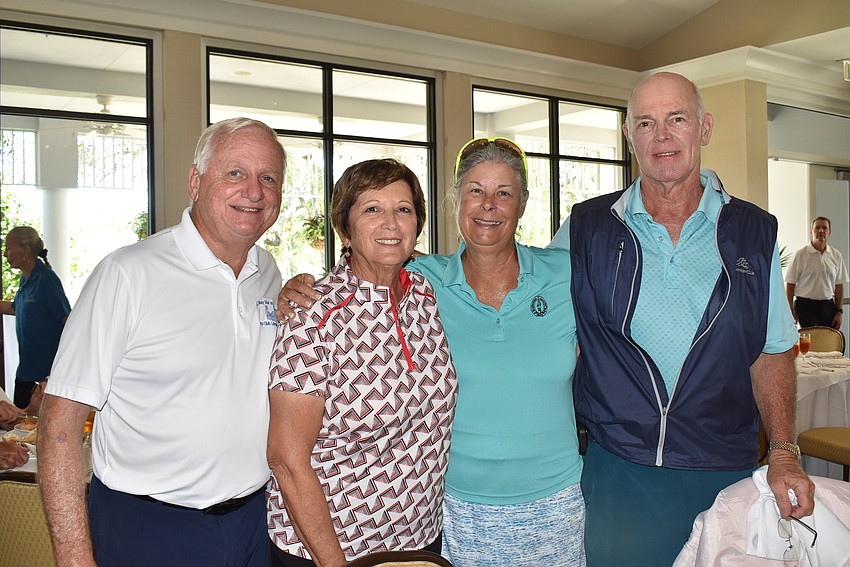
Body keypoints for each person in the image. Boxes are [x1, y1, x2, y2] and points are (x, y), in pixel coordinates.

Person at [550, 72, 815, 566]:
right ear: (629, 137)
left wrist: (783, 452)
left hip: (723, 471)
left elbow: (772, 350)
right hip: (617, 471)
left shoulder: (753, 232)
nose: (662, 136)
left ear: (704, 128)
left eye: (677, 119)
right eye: (645, 123)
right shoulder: (585, 228)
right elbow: (533, 315)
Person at [279, 140, 585, 566]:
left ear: (522, 204)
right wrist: (295, 289)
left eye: (504, 193)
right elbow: (375, 258)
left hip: (553, 502)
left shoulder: (565, 273)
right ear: (456, 200)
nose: (489, 205)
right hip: (455, 509)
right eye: (476, 190)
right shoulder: (427, 280)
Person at [37, 117, 286, 567]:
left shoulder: (267, 272)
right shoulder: (127, 274)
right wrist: (74, 558)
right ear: (195, 181)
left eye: (268, 178)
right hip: (147, 529)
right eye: (235, 173)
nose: (254, 192)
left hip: (253, 523)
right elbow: (59, 424)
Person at [267, 159, 457, 566]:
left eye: (403, 209)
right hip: (331, 550)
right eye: (372, 209)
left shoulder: (423, 295)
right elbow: (286, 459)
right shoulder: (312, 315)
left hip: (418, 538)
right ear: (344, 228)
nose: (390, 223)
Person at [0, 226, 71, 409]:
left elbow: (67, 320)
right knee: (19, 428)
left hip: (45, 375)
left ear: (24, 250)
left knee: (29, 429)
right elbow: (16, 308)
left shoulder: (46, 279)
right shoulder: (25, 280)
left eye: (8, 248)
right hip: (26, 370)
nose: (5, 254)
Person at [785, 216, 849, 329]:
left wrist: (839, 312)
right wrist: (790, 310)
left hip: (828, 307)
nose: (821, 231)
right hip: (805, 307)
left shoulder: (836, 255)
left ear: (829, 232)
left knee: (827, 343)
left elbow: (839, 286)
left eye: (824, 228)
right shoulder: (800, 255)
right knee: (811, 342)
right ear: (811, 231)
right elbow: (790, 284)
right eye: (817, 228)